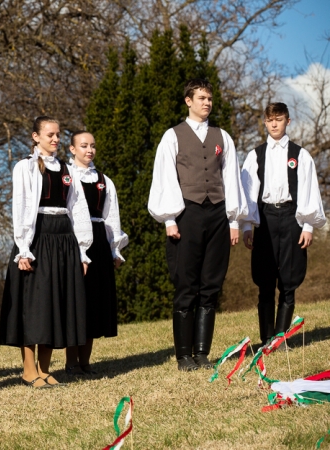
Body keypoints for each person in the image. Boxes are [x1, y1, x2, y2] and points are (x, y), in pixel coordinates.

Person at [148, 79, 247, 371]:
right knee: (186, 283)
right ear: (188, 101)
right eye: (201, 98)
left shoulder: (222, 137)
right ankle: (183, 356)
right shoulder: (172, 136)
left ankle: (202, 353)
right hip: (186, 215)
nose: (207, 103)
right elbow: (164, 177)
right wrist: (168, 219)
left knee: (211, 284)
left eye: (210, 98)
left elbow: (231, 179)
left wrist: (233, 220)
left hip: (218, 215)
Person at [0, 116, 93, 389]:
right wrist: (24, 249)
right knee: (34, 304)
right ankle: (28, 370)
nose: (55, 139)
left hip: (63, 237)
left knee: (56, 301)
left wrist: (83, 251)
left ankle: (44, 368)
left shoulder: (67, 169)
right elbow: (22, 208)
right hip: (37, 236)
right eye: (49, 134)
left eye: (58, 135)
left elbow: (78, 208)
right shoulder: (25, 167)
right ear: (35, 137)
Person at [240, 102, 326, 345]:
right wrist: (247, 226)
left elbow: (309, 190)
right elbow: (247, 193)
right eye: (270, 120)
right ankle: (266, 338)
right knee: (265, 280)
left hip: (291, 218)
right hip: (265, 219)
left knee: (288, 280)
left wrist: (308, 226)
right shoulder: (255, 156)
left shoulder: (301, 155)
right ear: (265, 123)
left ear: (288, 121)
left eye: (279, 119)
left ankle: (281, 338)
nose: (274, 124)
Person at [65, 131, 128, 375]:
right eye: (83, 146)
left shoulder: (104, 180)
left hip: (99, 241)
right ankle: (71, 362)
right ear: (72, 149)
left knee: (93, 301)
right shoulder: (67, 177)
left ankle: (85, 361)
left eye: (92, 146)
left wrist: (115, 249)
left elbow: (112, 215)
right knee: (76, 300)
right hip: (74, 240)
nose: (89, 150)